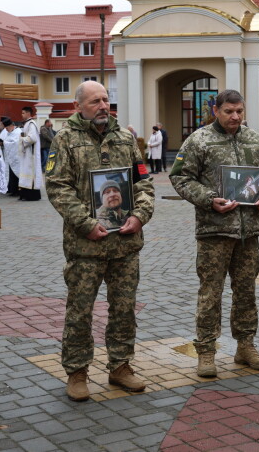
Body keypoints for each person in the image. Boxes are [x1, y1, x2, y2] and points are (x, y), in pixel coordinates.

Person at [45, 81, 154, 400]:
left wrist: (140, 215)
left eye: (106, 99)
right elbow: (57, 187)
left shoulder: (125, 138)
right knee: (80, 311)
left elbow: (143, 182)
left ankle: (121, 366)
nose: (103, 106)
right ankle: (77, 371)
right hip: (86, 246)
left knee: (124, 309)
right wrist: (86, 224)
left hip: (125, 244)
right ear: (78, 106)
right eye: (95, 101)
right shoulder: (65, 139)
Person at [170, 89, 259, 378]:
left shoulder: (255, 140)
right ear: (216, 111)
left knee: (246, 292)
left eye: (239, 111)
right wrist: (209, 199)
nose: (235, 117)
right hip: (214, 231)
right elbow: (180, 177)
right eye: (229, 111)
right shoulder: (199, 141)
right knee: (211, 293)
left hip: (248, 232)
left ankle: (245, 346)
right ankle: (206, 351)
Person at [18, 106, 42, 201]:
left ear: (28, 113)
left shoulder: (31, 124)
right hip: (27, 153)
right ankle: (25, 194)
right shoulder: (27, 123)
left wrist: (21, 139)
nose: (21, 115)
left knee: (30, 172)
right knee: (26, 172)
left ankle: (31, 195)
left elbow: (32, 138)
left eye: (23, 113)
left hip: (31, 154)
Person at [0, 117, 21, 196]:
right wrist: (1, 143)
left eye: (6, 128)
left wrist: (4, 143)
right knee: (10, 174)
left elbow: (16, 143)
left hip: (16, 158)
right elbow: (6, 141)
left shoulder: (18, 132)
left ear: (11, 126)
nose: (6, 130)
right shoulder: (8, 133)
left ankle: (17, 191)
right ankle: (12, 190)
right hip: (9, 158)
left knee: (16, 173)